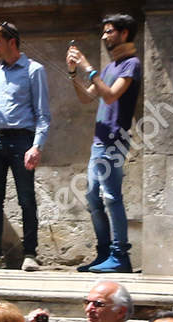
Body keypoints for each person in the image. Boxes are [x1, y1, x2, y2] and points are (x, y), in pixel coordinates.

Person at [64, 14, 143, 273]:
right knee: (92, 198)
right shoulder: (109, 68)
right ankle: (104, 253)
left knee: (111, 197)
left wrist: (88, 66)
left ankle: (121, 257)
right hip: (99, 142)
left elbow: (109, 96)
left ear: (124, 33)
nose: (104, 36)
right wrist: (73, 72)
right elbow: (88, 97)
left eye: (109, 31)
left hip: (115, 141)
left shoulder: (131, 64)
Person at [0, 21, 50, 272]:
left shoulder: (33, 70)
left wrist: (36, 146)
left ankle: (30, 253)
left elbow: (43, 114)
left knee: (26, 198)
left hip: (22, 140)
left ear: (11, 42)